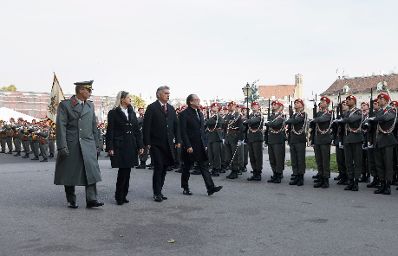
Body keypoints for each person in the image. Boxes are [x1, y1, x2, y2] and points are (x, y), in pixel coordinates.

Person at [54, 80, 103, 209]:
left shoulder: (90, 106)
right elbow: (61, 126)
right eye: (89, 90)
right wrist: (62, 146)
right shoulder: (65, 105)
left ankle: (92, 199)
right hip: (72, 144)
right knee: (69, 172)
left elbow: (94, 126)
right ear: (81, 90)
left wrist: (97, 144)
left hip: (88, 143)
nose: (90, 93)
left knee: (91, 171)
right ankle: (71, 199)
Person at [179, 94, 222, 196]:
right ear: (191, 102)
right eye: (196, 100)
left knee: (203, 166)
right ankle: (185, 187)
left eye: (199, 99)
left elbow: (202, 130)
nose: (199, 101)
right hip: (190, 145)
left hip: (200, 144)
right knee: (187, 167)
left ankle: (210, 188)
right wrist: (188, 145)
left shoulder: (200, 113)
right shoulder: (184, 114)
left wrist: (205, 143)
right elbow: (183, 131)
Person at [143, 86, 181, 202]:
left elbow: (176, 125)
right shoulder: (152, 107)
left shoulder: (170, 108)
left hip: (168, 143)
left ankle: (160, 190)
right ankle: (156, 193)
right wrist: (147, 142)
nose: (168, 95)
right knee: (159, 166)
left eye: (169, 93)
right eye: (165, 93)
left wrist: (178, 140)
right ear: (159, 94)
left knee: (165, 167)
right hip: (156, 143)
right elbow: (146, 126)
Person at [106, 91, 144, 205]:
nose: (130, 99)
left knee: (128, 170)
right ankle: (119, 196)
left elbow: (137, 131)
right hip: (120, 145)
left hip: (131, 145)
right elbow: (110, 131)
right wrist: (110, 147)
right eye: (128, 97)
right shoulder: (113, 113)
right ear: (122, 99)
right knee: (122, 171)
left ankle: (124, 194)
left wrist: (140, 145)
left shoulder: (131, 112)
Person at [285, 99, 307, 186]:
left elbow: (295, 121)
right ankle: (296, 175)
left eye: (297, 103)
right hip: (293, 139)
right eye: (295, 103)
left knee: (300, 159)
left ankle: (301, 177)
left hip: (300, 139)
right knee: (294, 159)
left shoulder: (303, 114)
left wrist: (287, 120)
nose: (295, 104)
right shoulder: (294, 115)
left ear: (302, 105)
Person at [312, 96, 332, 188]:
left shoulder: (328, 113)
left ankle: (326, 179)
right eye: (321, 101)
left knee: (325, 161)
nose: (321, 103)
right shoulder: (319, 113)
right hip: (318, 139)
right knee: (319, 160)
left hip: (324, 139)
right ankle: (320, 177)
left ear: (327, 104)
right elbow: (313, 124)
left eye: (323, 102)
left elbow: (321, 120)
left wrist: (314, 120)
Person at [265, 100, 286, 183]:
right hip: (271, 140)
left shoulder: (281, 116)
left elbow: (275, 124)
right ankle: (274, 173)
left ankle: (279, 174)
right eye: (272, 104)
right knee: (272, 158)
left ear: (280, 107)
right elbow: (268, 128)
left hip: (278, 140)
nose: (273, 106)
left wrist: (267, 123)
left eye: (275, 104)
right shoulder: (271, 116)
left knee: (278, 158)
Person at [245, 102, 264, 181]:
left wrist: (247, 121)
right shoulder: (251, 115)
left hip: (257, 137)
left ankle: (258, 173)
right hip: (251, 137)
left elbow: (253, 121)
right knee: (252, 156)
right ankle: (254, 171)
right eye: (252, 106)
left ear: (258, 107)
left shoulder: (260, 115)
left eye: (255, 106)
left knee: (257, 156)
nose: (253, 107)